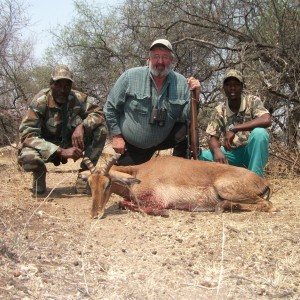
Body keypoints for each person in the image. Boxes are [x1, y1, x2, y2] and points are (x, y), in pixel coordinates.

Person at [104, 39, 200, 165]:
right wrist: (116, 136)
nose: (160, 61)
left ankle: (178, 170)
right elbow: (110, 108)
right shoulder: (130, 76)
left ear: (171, 60)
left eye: (165, 57)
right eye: (156, 57)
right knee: (120, 180)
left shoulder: (181, 82)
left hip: (163, 139)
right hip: (134, 147)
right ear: (149, 58)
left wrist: (196, 96)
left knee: (184, 131)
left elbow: (187, 118)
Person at [18, 65, 107, 194]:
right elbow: (27, 134)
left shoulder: (77, 98)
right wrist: (60, 151)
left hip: (69, 141)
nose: (62, 90)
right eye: (58, 85)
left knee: (100, 130)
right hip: (46, 146)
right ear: (51, 84)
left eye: (67, 86)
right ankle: (39, 174)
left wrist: (82, 126)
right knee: (28, 155)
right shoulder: (40, 101)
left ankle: (84, 176)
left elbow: (99, 113)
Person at [199, 69, 272, 177]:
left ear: (242, 87)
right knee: (202, 156)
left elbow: (266, 119)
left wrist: (235, 128)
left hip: (250, 152)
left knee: (260, 134)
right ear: (224, 88)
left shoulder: (252, 101)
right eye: (228, 85)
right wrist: (216, 150)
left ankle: (255, 179)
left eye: (236, 85)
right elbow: (212, 137)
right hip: (231, 154)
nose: (232, 88)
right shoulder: (219, 110)